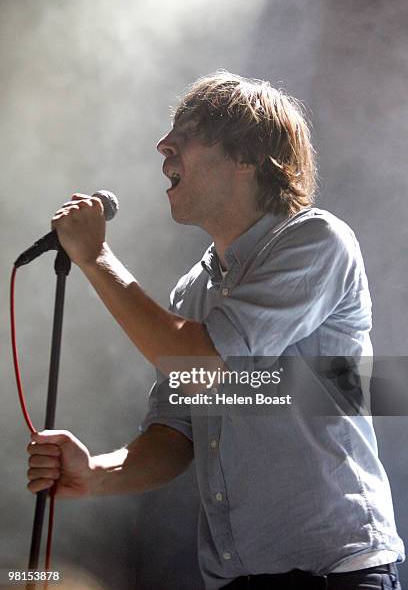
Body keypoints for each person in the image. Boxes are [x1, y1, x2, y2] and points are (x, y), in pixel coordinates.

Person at [27, 72, 404, 589]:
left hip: (333, 574)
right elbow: (174, 432)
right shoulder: (194, 291)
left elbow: (205, 364)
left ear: (246, 153)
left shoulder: (317, 240)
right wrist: (95, 472)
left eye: (187, 131)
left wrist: (95, 257)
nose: (163, 145)